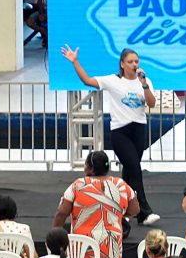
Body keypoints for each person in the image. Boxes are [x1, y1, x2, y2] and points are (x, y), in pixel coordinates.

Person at [61, 46, 159, 226]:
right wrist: (75, 62)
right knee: (135, 168)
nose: (134, 64)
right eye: (130, 61)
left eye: (136, 61)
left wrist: (144, 84)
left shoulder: (145, 81)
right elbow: (88, 81)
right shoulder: (113, 80)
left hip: (138, 128)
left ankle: (122, 209)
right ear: (122, 64)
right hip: (120, 130)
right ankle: (144, 211)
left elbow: (151, 103)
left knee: (129, 171)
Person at [54, 150, 139, 258]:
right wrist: (116, 211)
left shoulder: (78, 185)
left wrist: (55, 236)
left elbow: (61, 213)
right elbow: (135, 210)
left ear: (91, 168)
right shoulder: (120, 185)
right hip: (111, 246)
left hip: (82, 246)